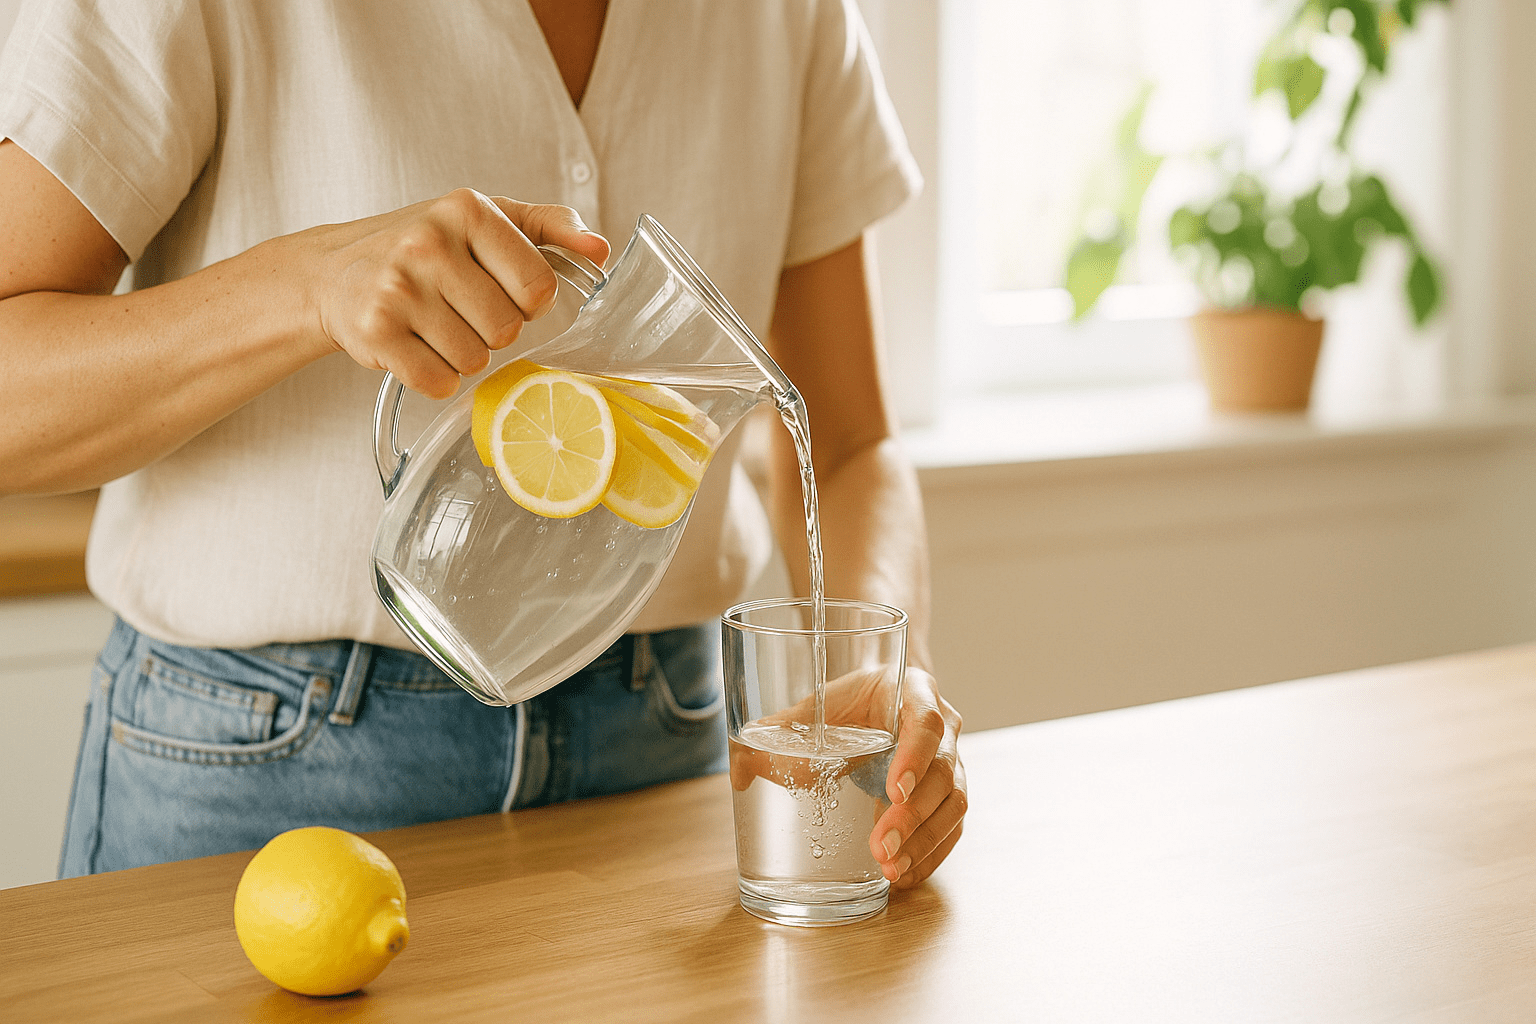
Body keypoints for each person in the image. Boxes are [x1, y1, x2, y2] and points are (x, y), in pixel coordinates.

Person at [0, 0, 965, 889]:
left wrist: (890, 672)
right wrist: (305, 285)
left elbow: (845, 443)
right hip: (262, 767)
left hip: (666, 745)